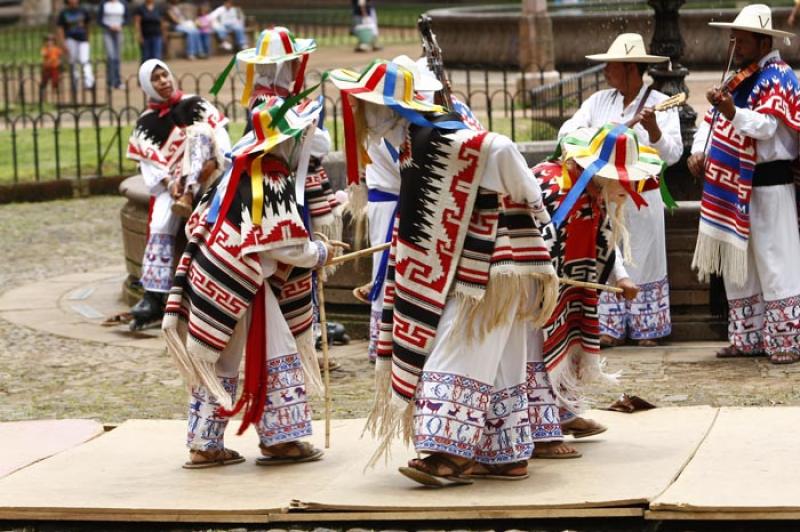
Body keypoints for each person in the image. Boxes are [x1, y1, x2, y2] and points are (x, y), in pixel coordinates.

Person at [332, 60, 559, 486]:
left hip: (483, 269)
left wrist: (534, 205)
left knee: (462, 347)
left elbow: (502, 150)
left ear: (389, 109)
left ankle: (447, 451)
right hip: (479, 266)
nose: (361, 114)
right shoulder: (414, 142)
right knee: (498, 359)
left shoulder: (438, 136)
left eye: (368, 105)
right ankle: (505, 454)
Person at [162, 95, 346, 468]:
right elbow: (287, 246)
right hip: (240, 281)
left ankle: (205, 444)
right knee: (277, 352)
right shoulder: (271, 177)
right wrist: (319, 254)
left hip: (217, 274)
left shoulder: (239, 170)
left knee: (218, 365)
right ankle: (281, 440)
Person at [529, 125, 665, 454]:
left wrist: (621, 278)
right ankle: (542, 432)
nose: (631, 188)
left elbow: (606, 239)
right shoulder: (553, 186)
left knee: (569, 347)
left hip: (574, 285)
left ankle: (565, 412)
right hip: (539, 289)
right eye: (627, 180)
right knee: (538, 354)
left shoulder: (594, 193)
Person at [350, 54, 483, 363]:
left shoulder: (431, 119)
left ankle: (404, 337)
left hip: (412, 202)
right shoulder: (397, 127)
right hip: (396, 203)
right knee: (392, 273)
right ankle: (391, 339)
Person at [687, 4, 800, 365]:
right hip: (734, 185)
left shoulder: (780, 77)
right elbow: (710, 122)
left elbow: (767, 128)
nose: (733, 41)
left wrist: (732, 111)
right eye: (733, 35)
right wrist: (697, 152)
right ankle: (746, 336)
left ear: (762, 39)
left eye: (741, 36)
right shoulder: (738, 79)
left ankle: (785, 340)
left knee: (775, 260)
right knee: (741, 263)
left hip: (770, 185)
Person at [558, 33, 682, 348]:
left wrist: (653, 131)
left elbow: (673, 153)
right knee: (610, 252)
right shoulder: (599, 101)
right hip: (607, 193)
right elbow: (567, 133)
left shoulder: (659, 105)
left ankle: (648, 328)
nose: (605, 72)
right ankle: (609, 326)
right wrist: (605, 135)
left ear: (629, 68)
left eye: (610, 66)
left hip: (644, 194)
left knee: (645, 256)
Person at [126, 60, 231, 331]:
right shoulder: (146, 123)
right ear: (148, 86)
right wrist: (169, 184)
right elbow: (149, 163)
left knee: (199, 135)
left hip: (207, 176)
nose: (163, 81)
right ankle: (154, 296)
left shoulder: (196, 104)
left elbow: (221, 135)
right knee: (160, 221)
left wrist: (217, 162)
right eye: (156, 78)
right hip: (171, 186)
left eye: (165, 75)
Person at [57, 0, 95, 91]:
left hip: (83, 39)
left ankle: (89, 82)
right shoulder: (64, 13)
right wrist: (63, 43)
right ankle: (75, 82)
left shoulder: (83, 11)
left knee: (84, 60)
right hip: (70, 39)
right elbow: (60, 29)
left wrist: (88, 37)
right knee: (73, 61)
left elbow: (88, 24)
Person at [97, 0, 129, 90]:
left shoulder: (123, 3)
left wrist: (121, 25)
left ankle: (117, 82)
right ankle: (110, 82)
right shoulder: (104, 3)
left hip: (119, 32)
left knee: (117, 58)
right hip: (108, 32)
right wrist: (109, 26)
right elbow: (99, 20)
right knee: (111, 56)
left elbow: (127, 18)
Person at [39, 34, 63, 103]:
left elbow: (60, 55)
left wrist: (59, 61)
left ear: (54, 42)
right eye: (47, 41)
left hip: (54, 67)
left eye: (51, 41)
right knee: (44, 81)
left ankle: (56, 94)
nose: (49, 42)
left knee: (55, 80)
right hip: (46, 68)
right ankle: (42, 93)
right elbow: (43, 54)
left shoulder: (56, 49)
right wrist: (48, 50)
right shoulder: (45, 49)